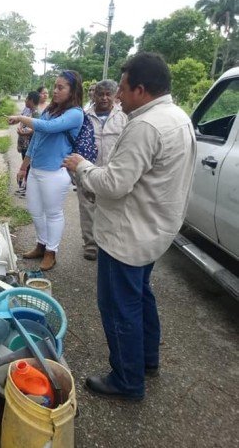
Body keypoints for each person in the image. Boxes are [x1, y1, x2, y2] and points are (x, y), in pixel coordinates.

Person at [63, 52, 196, 401]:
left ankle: (127, 379)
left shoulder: (145, 126)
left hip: (127, 236)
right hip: (155, 230)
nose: (118, 95)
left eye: (123, 88)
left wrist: (82, 167)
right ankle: (147, 361)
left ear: (141, 88)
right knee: (140, 296)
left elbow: (115, 184)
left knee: (119, 306)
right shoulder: (178, 117)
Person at [7, 71, 84, 270]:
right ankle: (41, 245)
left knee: (53, 213)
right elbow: (37, 140)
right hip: (36, 170)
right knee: (35, 211)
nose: (55, 91)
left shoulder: (75, 113)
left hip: (55, 172)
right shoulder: (51, 110)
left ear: (72, 90)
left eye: (61, 87)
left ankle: (51, 251)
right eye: (55, 86)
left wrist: (21, 118)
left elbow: (49, 128)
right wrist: (24, 167)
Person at [78, 80, 127, 260]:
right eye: (101, 94)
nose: (104, 98)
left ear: (115, 96)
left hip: (113, 172)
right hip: (88, 170)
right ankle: (90, 245)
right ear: (94, 95)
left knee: (113, 208)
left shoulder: (124, 116)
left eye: (108, 94)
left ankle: (109, 244)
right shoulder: (84, 116)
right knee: (87, 207)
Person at [13, 91, 40, 196]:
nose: (25, 100)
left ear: (31, 100)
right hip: (24, 143)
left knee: (28, 166)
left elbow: (37, 130)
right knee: (26, 165)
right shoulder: (27, 110)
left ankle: (27, 187)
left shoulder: (36, 113)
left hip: (29, 144)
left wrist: (26, 133)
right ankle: (25, 185)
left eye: (27, 98)